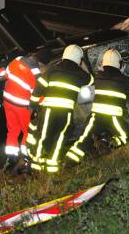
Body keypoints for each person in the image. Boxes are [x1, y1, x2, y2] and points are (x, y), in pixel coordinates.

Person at [65, 49, 129, 163]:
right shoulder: (122, 79)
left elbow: (87, 87)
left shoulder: (97, 77)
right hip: (113, 118)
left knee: (83, 140)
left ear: (103, 63)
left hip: (95, 117)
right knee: (126, 136)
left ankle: (67, 162)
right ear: (119, 64)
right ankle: (108, 143)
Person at [28, 45, 94, 173]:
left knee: (43, 136)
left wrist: (34, 105)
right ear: (79, 60)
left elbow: (38, 89)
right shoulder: (81, 75)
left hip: (49, 111)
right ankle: (52, 167)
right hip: (66, 113)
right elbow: (91, 81)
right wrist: (83, 67)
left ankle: (36, 168)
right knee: (60, 138)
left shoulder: (52, 70)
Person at [2, 48, 52, 170]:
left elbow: (6, 74)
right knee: (27, 132)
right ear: (41, 63)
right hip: (22, 106)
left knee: (12, 131)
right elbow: (37, 94)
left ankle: (11, 159)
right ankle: (25, 159)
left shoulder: (17, 59)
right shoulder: (35, 73)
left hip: (8, 101)